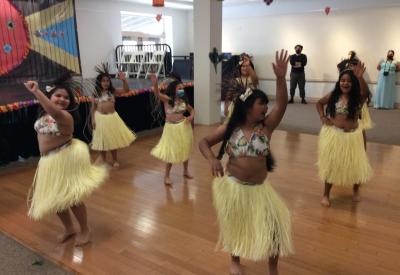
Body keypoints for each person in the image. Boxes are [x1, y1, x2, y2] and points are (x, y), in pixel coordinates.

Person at [199, 50, 293, 275]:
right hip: (236, 188)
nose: (266, 108)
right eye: (262, 104)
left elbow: (282, 104)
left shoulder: (266, 128)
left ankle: (273, 270)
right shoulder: (230, 129)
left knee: (274, 230)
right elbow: (203, 142)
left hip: (260, 190)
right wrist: (212, 159)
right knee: (236, 225)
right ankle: (234, 261)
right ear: (249, 106)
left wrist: (281, 78)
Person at [24, 76, 108, 246]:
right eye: (58, 95)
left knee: (72, 198)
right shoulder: (45, 114)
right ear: (51, 96)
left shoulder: (65, 117)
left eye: (66, 97)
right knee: (57, 198)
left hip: (64, 159)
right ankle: (69, 228)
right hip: (48, 161)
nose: (62, 99)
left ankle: (85, 230)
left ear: (71, 102)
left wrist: (36, 91)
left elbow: (55, 112)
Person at [316, 63, 373, 207]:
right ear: (338, 82)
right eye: (342, 80)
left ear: (353, 83)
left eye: (348, 81)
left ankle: (355, 190)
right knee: (331, 164)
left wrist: (360, 78)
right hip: (335, 135)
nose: (345, 83)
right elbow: (319, 103)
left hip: (352, 137)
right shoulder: (333, 96)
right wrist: (323, 117)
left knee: (355, 164)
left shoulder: (358, 98)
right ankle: (326, 194)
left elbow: (365, 93)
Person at [150, 74, 195, 186]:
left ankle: (185, 171)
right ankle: (167, 176)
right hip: (171, 128)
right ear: (173, 89)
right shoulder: (168, 99)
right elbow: (157, 94)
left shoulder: (184, 102)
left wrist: (191, 117)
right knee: (171, 152)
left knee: (185, 149)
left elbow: (192, 110)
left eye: (182, 88)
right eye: (179, 88)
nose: (182, 90)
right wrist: (155, 84)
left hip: (183, 126)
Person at [91, 64, 136, 167]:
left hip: (112, 118)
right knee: (102, 141)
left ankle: (115, 159)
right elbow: (93, 109)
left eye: (107, 80)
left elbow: (126, 91)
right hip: (100, 119)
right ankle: (103, 160)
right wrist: (92, 120)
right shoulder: (95, 94)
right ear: (99, 82)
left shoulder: (113, 91)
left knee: (112, 140)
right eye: (103, 81)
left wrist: (124, 80)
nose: (106, 83)